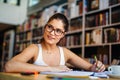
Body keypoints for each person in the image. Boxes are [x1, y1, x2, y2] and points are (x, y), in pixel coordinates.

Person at [5, 13, 105, 73]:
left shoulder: (65, 52)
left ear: (62, 35)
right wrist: (51, 68)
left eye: (58, 31)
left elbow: (89, 67)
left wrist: (96, 67)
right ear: (45, 27)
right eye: (50, 27)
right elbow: (9, 66)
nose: (52, 33)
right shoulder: (34, 48)